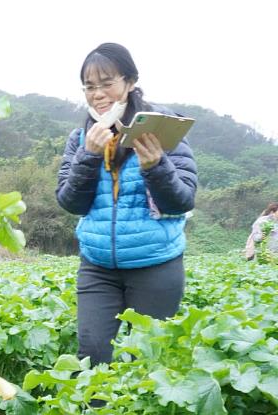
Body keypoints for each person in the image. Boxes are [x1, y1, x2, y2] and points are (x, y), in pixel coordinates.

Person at [56, 43, 198, 366]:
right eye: (90, 87)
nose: (98, 94)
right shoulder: (81, 137)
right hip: (98, 266)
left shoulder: (163, 128)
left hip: (155, 264)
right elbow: (70, 202)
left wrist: (156, 166)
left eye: (107, 83)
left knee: (147, 361)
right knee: (93, 354)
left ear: (130, 82)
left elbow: (182, 201)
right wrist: (88, 157)